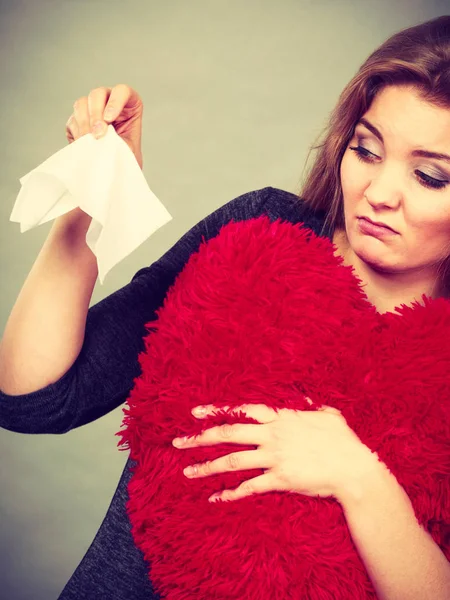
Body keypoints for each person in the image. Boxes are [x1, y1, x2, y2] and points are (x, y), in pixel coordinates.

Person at [0, 14, 449, 600]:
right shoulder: (256, 232)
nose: (380, 192)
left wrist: (356, 475)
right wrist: (94, 196)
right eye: (366, 150)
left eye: (428, 176)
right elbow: (33, 399)